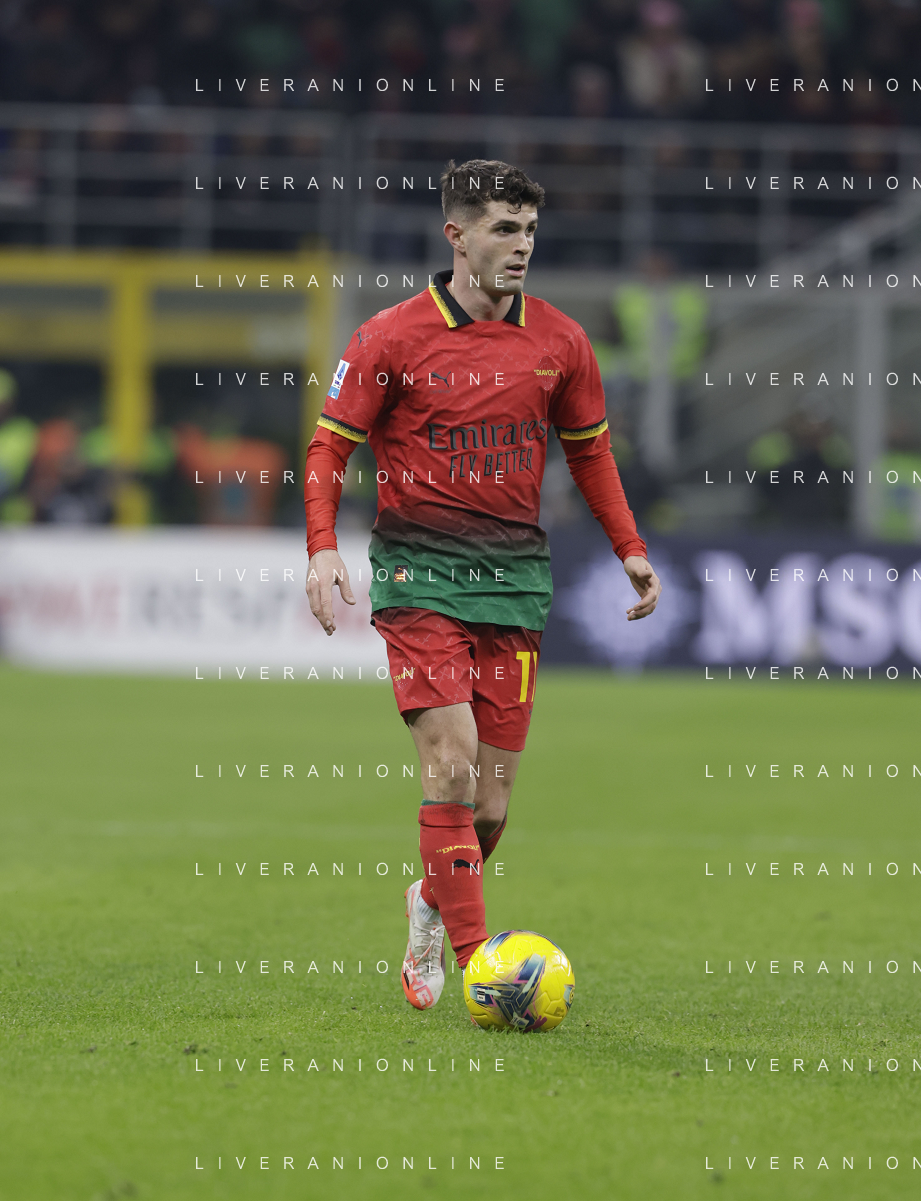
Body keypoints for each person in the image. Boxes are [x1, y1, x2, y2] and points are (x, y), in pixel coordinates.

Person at [303, 158, 661, 1014]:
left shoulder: (561, 342)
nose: (522, 245)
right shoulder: (389, 337)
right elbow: (328, 447)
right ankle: (482, 966)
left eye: (529, 229)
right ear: (456, 236)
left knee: (491, 805)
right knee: (451, 762)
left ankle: (431, 899)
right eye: (504, 228)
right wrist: (322, 548)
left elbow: (590, 454)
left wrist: (629, 546)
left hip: (514, 581)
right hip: (419, 573)